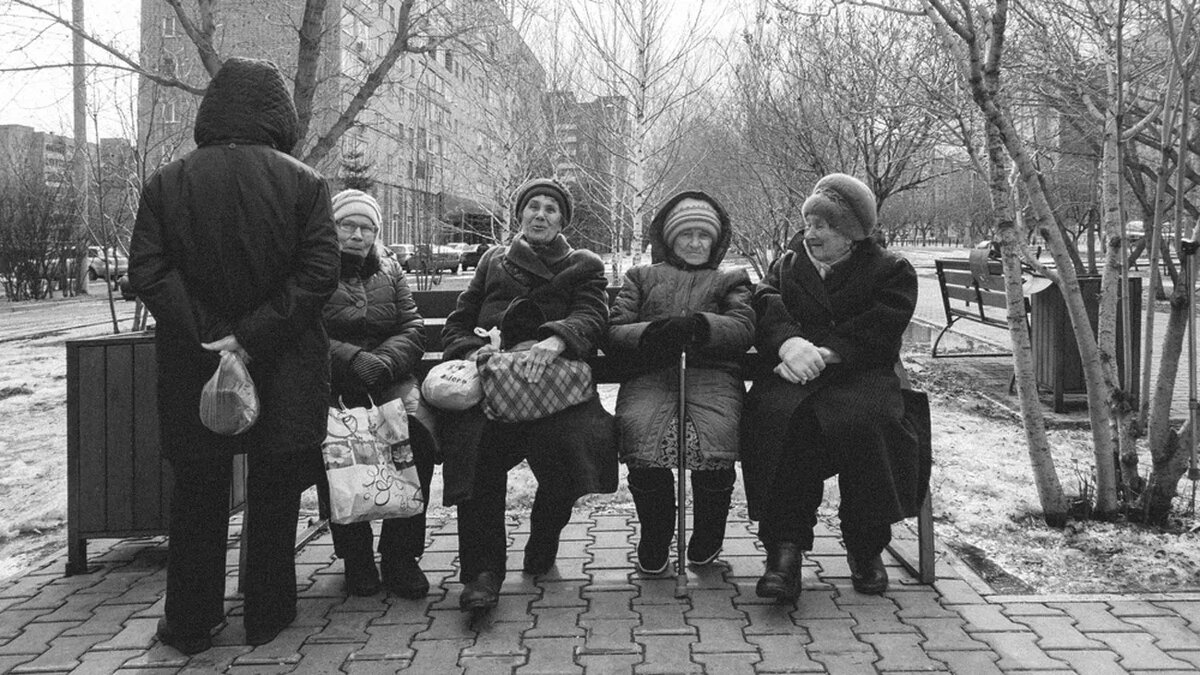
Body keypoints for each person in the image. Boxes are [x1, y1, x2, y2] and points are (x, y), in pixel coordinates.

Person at [128, 57, 340, 653]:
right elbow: (319, 272)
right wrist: (250, 336)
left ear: (212, 110)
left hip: (194, 363)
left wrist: (212, 332)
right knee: (275, 492)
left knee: (197, 493)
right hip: (284, 361)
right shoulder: (305, 183)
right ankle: (268, 614)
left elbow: (148, 268)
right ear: (279, 114)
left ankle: (191, 622)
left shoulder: (167, 182)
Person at [437, 177, 617, 612]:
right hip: (493, 387)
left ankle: (544, 536)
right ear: (519, 214)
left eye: (550, 209)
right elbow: (458, 322)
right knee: (476, 450)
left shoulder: (583, 264)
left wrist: (557, 339)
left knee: (574, 444)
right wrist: (477, 352)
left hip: (555, 390)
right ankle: (483, 573)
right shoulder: (493, 261)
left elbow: (593, 314)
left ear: (562, 220)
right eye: (533, 206)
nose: (540, 215)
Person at [741, 173, 923, 603]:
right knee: (780, 420)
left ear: (851, 232)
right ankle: (784, 553)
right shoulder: (787, 265)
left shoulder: (890, 270)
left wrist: (826, 352)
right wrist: (790, 345)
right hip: (793, 375)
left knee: (870, 424)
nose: (811, 233)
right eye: (808, 222)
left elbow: (883, 324)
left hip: (859, 374)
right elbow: (764, 303)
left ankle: (865, 545)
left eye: (822, 225)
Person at [607, 191, 754, 574]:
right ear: (670, 239)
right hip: (651, 377)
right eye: (686, 234)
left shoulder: (730, 280)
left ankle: (707, 536)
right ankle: (656, 535)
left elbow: (742, 327)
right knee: (640, 431)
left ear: (715, 240)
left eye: (703, 235)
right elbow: (615, 329)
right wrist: (652, 333)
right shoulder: (640, 278)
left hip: (712, 379)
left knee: (716, 438)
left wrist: (703, 327)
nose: (695, 242)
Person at [322, 189, 436, 598]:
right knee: (336, 447)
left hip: (390, 377)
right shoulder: (314, 268)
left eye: (367, 228)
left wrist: (384, 362)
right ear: (331, 227)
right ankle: (356, 557)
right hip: (334, 381)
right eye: (347, 225)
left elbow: (413, 328)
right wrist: (352, 359)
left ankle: (400, 556)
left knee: (416, 434)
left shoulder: (390, 268)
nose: (357, 235)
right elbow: (306, 332)